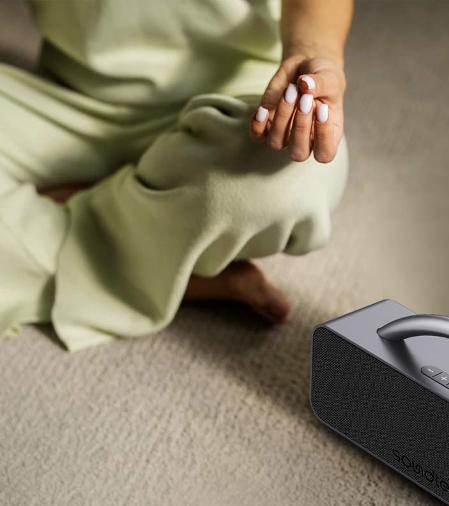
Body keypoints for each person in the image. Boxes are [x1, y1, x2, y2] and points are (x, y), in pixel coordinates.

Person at [0, 0, 352, 350]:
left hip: (236, 102)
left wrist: (311, 57)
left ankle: (121, 239)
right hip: (65, 95)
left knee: (292, 178)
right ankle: (165, 261)